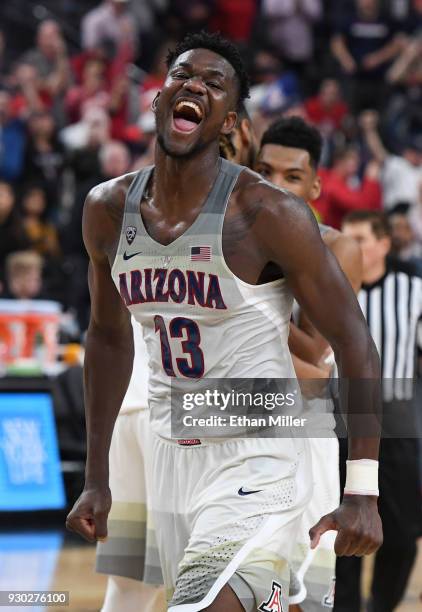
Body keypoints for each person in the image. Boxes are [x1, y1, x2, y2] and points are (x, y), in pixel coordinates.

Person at [66, 32, 382, 612]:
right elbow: (108, 338)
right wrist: (96, 476)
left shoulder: (267, 214)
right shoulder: (106, 209)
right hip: (170, 450)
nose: (194, 86)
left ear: (229, 121)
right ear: (158, 97)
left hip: (259, 453)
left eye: (214, 83)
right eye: (183, 76)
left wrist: (363, 488)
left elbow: (354, 344)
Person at [256, 116, 362, 611]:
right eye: (265, 171)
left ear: (316, 185)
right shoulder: (235, 245)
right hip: (238, 418)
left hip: (307, 422)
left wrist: (254, 310)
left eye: (292, 176)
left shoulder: (338, 246)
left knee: (310, 589)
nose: (275, 185)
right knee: (243, 582)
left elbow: (319, 359)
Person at [338, 210, 422, 612]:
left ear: (384, 245)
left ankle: (382, 604)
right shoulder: (329, 289)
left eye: (360, 239)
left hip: (397, 424)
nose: (349, 248)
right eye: (345, 238)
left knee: (404, 533)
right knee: (341, 531)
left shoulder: (414, 290)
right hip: (339, 424)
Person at [96, 316, 166, 612]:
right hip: (174, 410)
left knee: (129, 582)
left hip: (123, 408)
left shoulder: (109, 266)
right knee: (197, 571)